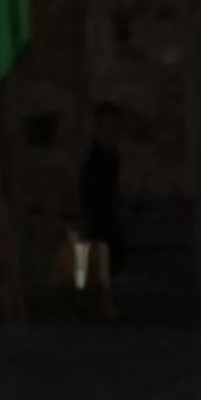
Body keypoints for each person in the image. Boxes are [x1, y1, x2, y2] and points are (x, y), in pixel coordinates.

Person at [76, 111, 123, 319]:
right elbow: (86, 184)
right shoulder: (95, 154)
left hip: (105, 211)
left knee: (104, 261)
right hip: (96, 210)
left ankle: (101, 305)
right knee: (94, 260)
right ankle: (99, 305)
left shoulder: (108, 153)